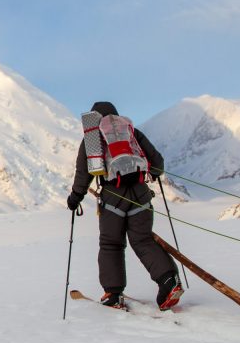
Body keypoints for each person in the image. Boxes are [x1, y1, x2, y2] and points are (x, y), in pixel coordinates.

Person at [66, 101, 183, 311]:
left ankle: (113, 293)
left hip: (113, 199)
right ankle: (169, 281)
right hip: (141, 195)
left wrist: (76, 197)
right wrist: (154, 173)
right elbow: (156, 163)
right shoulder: (131, 132)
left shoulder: (92, 139)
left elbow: (84, 173)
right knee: (144, 240)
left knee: (112, 244)